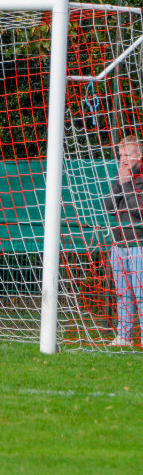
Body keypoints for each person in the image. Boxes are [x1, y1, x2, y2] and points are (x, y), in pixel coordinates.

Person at [104, 135, 143, 347]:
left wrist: (127, 183)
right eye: (120, 155)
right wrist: (119, 183)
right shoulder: (121, 176)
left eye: (127, 155)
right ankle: (123, 336)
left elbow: (139, 211)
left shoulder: (140, 178)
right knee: (123, 294)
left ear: (139, 155)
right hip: (119, 245)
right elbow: (110, 208)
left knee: (141, 294)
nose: (123, 160)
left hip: (139, 245)